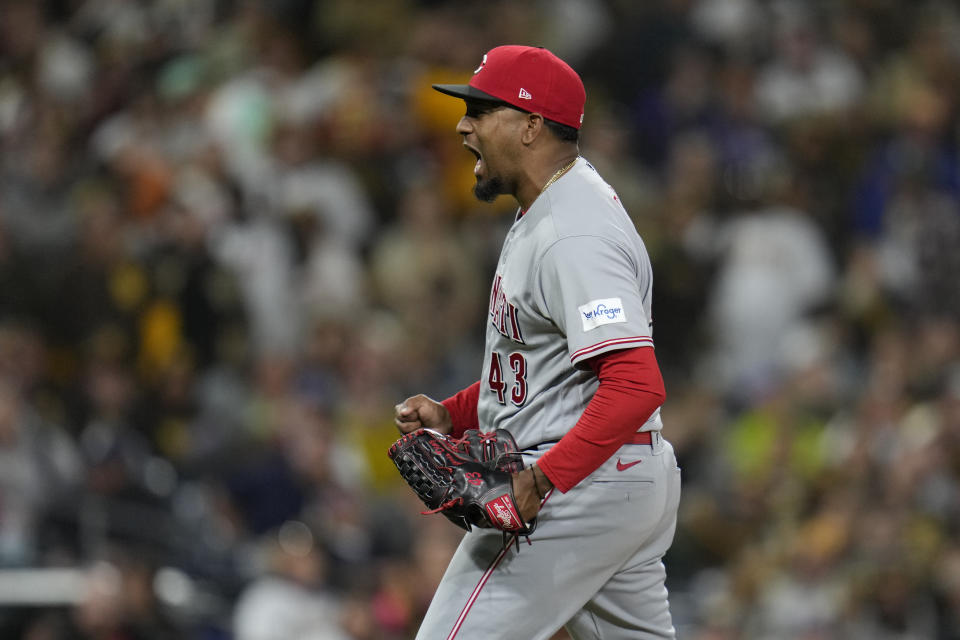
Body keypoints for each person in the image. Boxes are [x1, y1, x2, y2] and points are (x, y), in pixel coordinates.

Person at [394, 45, 681, 639]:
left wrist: (543, 480)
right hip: (614, 476)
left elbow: (636, 384)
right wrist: (453, 413)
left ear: (530, 126)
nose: (462, 124)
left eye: (480, 109)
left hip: (579, 484)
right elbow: (542, 364)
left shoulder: (572, 232)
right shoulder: (554, 205)